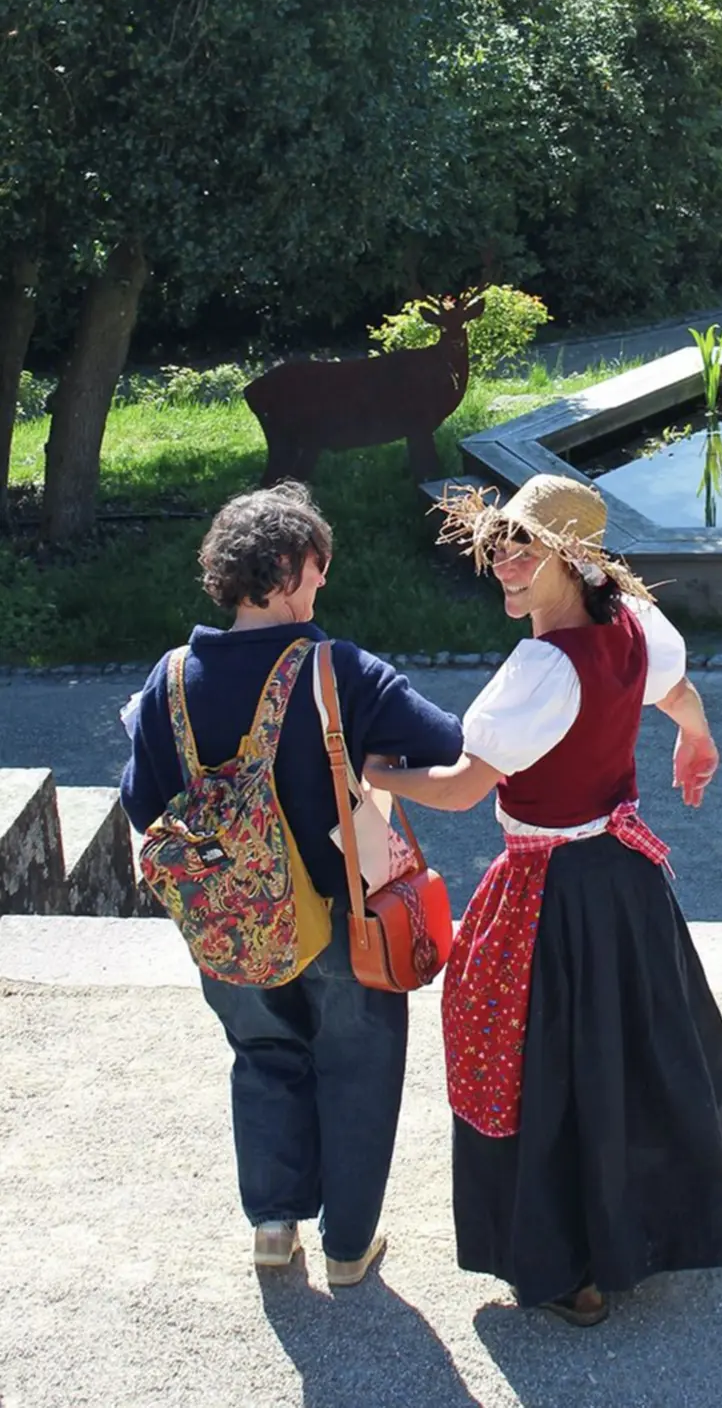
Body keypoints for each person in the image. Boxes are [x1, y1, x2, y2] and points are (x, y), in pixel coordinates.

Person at [364, 473, 722, 1328]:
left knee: (540, 1068)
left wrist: (375, 773)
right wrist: (697, 736)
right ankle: (647, 1233)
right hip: (625, 883)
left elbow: (467, 788)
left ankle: (567, 1268)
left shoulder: (543, 665)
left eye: (525, 549)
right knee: (627, 1056)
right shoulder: (631, 623)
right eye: (500, 545)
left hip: (548, 889)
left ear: (571, 560)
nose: (505, 562)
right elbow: (677, 692)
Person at [120, 482, 463, 1284]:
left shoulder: (169, 679)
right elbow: (445, 741)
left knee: (263, 1054)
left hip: (227, 920)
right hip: (346, 912)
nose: (322, 582)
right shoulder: (335, 670)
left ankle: (274, 1227)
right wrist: (366, 768)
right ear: (282, 568)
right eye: (316, 566)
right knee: (357, 1064)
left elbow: (141, 803)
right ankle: (348, 1248)